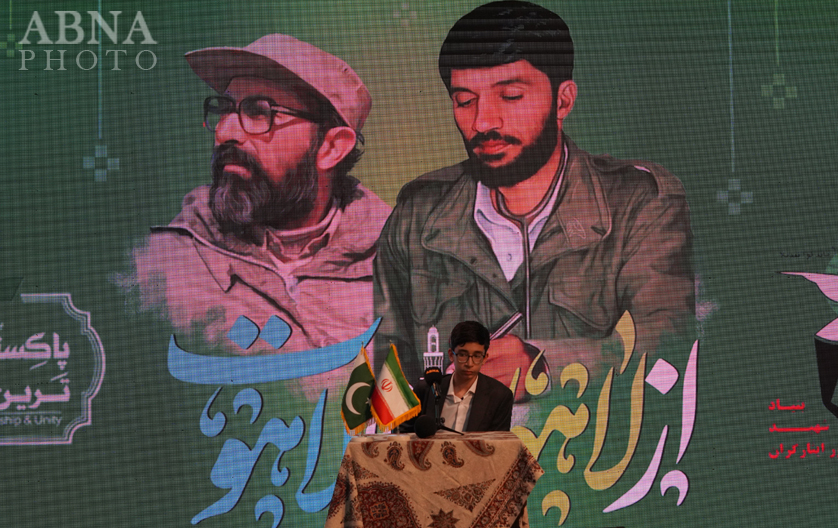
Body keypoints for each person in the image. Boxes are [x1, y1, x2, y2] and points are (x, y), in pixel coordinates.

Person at [374, 1, 693, 392]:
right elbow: (384, 370)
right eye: (465, 101)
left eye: (510, 96)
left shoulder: (639, 205)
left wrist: (544, 366)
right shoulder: (417, 215)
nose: (483, 121)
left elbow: (668, 351)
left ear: (563, 100)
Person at [128, 34, 390, 353]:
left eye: (259, 112)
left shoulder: (404, 273)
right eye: (224, 109)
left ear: (332, 147)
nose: (225, 132)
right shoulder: (166, 265)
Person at [401, 321, 513, 433]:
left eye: (476, 356)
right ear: (451, 355)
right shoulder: (425, 390)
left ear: (485, 358)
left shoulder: (499, 396)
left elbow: (499, 441)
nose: (469, 363)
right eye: (462, 355)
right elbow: (403, 434)